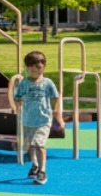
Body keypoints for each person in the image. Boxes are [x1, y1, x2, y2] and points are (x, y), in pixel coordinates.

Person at [12, 50, 63, 185]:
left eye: (42, 65)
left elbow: (56, 97)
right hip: (28, 120)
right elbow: (17, 97)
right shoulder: (24, 83)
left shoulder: (47, 83)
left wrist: (57, 113)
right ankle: (34, 165)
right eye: (36, 65)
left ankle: (42, 171)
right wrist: (18, 104)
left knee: (39, 144)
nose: (39, 67)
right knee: (30, 145)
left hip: (43, 120)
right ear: (28, 68)